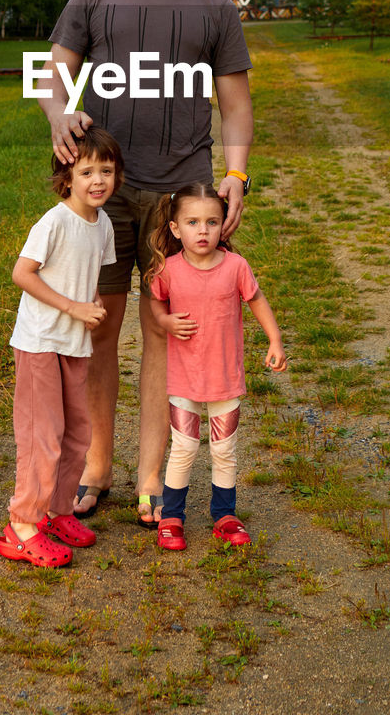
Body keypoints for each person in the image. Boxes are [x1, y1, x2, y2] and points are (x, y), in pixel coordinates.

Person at [38, 0, 253, 528]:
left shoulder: (215, 11)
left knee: (164, 335)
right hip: (101, 193)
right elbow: (51, 72)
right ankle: (98, 467)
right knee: (98, 331)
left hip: (179, 199)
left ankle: (153, 477)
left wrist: (236, 174)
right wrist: (56, 115)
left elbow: (237, 104)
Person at [0, 125, 124, 568]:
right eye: (86, 171)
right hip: (39, 343)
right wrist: (73, 307)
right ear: (66, 178)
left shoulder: (102, 223)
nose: (98, 181)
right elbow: (23, 274)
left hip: (74, 343)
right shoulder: (53, 222)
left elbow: (92, 277)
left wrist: (89, 308)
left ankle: (57, 510)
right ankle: (22, 526)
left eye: (106, 171)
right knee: (41, 437)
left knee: (76, 434)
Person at [147, 183, 287, 551]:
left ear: (224, 224)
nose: (203, 230)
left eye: (212, 221)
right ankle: (173, 516)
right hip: (184, 379)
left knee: (225, 450)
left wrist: (275, 340)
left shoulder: (235, 267)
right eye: (192, 222)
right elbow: (156, 304)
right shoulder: (169, 270)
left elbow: (257, 300)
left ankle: (224, 514)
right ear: (176, 229)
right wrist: (165, 322)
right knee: (184, 448)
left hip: (225, 378)